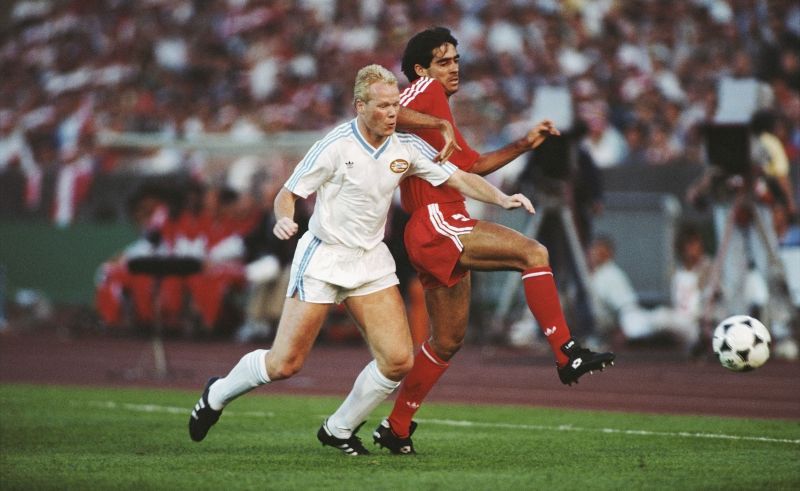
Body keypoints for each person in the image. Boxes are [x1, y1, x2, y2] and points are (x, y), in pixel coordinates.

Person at [188, 64, 536, 455]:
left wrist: (502, 199)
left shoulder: (406, 146)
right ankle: (217, 393)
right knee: (284, 364)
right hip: (324, 257)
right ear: (360, 106)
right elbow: (287, 193)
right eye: (384, 106)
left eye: (394, 105)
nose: (393, 113)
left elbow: (457, 178)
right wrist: (284, 219)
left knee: (398, 360)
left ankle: (339, 428)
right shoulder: (336, 144)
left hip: (370, 260)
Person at [372, 27, 615, 455]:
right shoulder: (422, 92)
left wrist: (525, 143)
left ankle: (397, 425)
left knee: (446, 341)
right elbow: (386, 111)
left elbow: (473, 165)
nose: (453, 68)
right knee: (533, 252)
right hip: (436, 220)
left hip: (436, 225)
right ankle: (566, 352)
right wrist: (437, 124)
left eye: (456, 60)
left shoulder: (439, 113)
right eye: (443, 61)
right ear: (420, 70)